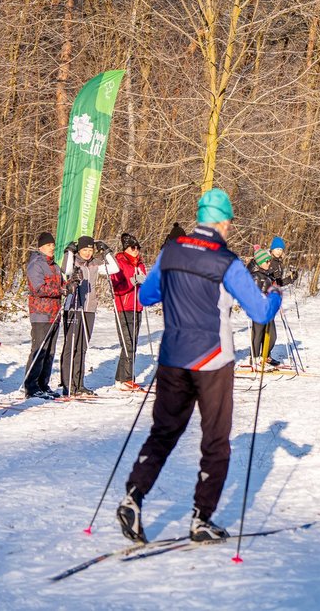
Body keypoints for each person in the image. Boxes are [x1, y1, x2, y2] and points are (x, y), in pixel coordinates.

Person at [117, 188, 282, 544]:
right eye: (229, 223)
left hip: (172, 357)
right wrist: (276, 295)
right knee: (215, 443)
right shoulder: (227, 261)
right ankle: (201, 519)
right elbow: (260, 312)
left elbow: (146, 297)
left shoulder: (171, 251)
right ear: (222, 222)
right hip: (211, 360)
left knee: (163, 433)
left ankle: (133, 497)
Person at [60, 235, 120, 397]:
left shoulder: (94, 263)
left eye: (90, 250)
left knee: (82, 347)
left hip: (89, 309)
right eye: (84, 250)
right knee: (71, 346)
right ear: (79, 250)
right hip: (74, 307)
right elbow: (65, 270)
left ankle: (79, 384)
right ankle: (68, 384)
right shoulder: (74, 262)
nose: (87, 253)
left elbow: (114, 268)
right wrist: (69, 252)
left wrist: (106, 251)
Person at [24, 232, 64, 399]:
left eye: (53, 246)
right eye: (48, 246)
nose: (51, 248)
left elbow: (61, 284)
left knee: (50, 351)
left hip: (55, 313)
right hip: (41, 313)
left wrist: (71, 283)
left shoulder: (55, 265)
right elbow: (38, 289)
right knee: (40, 349)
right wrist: (61, 290)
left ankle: (43, 384)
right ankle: (31, 386)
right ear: (41, 247)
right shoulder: (36, 265)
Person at [111, 233, 147, 391]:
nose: (136, 250)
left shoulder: (140, 264)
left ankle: (121, 379)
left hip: (137, 306)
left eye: (138, 247)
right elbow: (117, 287)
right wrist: (132, 282)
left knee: (133, 342)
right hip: (124, 307)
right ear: (126, 248)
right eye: (133, 248)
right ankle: (126, 378)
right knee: (128, 344)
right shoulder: (119, 263)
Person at [247, 248, 280, 367]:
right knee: (258, 334)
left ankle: (264, 356)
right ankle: (254, 358)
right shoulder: (256, 276)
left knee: (272, 335)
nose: (269, 263)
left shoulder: (266, 275)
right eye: (267, 261)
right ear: (260, 262)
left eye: (269, 261)